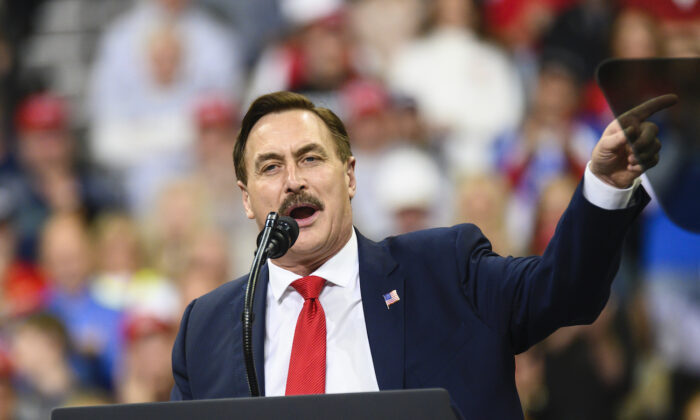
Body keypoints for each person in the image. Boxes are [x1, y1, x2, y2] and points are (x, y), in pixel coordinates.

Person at [170, 91, 676, 419]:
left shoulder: (443, 271)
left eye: (310, 158)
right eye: (270, 168)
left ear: (349, 175)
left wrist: (605, 186)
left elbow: (567, 291)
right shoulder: (207, 327)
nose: (293, 180)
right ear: (245, 198)